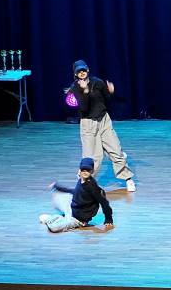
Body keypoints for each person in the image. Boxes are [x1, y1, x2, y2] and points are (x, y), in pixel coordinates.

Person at [68, 59, 136, 192]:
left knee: (116, 151)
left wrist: (110, 92)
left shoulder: (97, 82)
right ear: (75, 74)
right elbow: (83, 108)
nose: (82, 73)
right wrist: (85, 91)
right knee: (93, 158)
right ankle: (84, 183)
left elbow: (106, 100)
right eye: (79, 72)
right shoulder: (75, 87)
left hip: (104, 120)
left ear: (87, 70)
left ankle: (128, 179)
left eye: (83, 70)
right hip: (88, 124)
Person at [39, 157, 113, 233]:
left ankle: (58, 219)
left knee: (54, 228)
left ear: (92, 171)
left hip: (79, 220)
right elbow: (75, 191)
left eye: (88, 170)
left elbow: (104, 203)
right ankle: (60, 218)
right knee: (57, 194)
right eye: (83, 170)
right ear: (80, 170)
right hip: (72, 210)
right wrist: (57, 187)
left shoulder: (92, 187)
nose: (85, 172)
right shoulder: (81, 180)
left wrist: (108, 219)